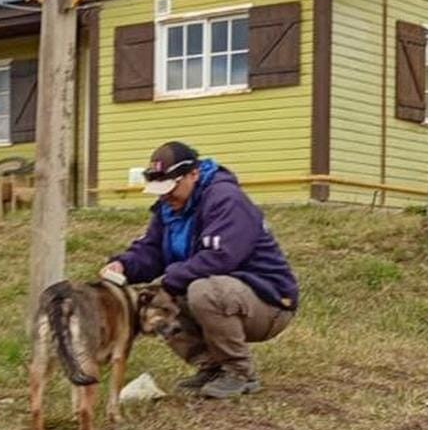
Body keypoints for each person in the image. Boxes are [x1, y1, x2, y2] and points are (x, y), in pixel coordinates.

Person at [100, 141, 299, 399]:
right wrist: (124, 265)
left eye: (171, 188)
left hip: (270, 302)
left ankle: (239, 372)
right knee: (152, 303)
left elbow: (220, 258)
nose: (165, 196)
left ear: (193, 174)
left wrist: (169, 282)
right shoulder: (169, 207)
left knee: (202, 291)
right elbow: (152, 249)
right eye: (159, 191)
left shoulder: (226, 199)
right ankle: (211, 367)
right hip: (226, 293)